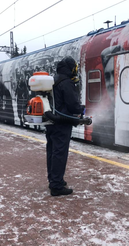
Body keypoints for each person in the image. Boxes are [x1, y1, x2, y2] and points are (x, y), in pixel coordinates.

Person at [46, 56, 84, 196]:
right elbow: (73, 106)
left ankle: (54, 180)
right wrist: (81, 108)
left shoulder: (53, 80)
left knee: (52, 152)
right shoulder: (66, 82)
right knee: (60, 154)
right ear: (70, 68)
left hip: (51, 123)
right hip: (62, 123)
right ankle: (56, 186)